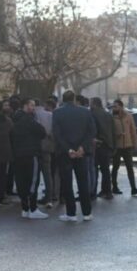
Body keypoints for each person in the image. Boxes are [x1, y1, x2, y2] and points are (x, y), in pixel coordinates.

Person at [52, 90, 95, 222]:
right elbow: (92, 131)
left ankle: (71, 213)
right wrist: (82, 147)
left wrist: (68, 149)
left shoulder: (57, 113)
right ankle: (87, 212)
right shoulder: (85, 112)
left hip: (65, 153)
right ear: (75, 99)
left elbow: (57, 134)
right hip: (81, 152)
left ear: (63, 100)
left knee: (67, 183)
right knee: (83, 182)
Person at [11, 99, 49, 219]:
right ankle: (33, 208)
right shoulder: (29, 120)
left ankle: (25, 208)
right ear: (25, 106)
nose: (34, 107)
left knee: (21, 181)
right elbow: (42, 132)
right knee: (33, 181)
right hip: (31, 153)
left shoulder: (15, 119)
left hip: (18, 154)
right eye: (32, 105)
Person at [110, 99, 137, 196]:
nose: (114, 108)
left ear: (121, 106)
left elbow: (133, 131)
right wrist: (117, 135)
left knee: (130, 167)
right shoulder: (111, 118)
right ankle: (114, 187)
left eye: (115, 106)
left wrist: (135, 144)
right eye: (113, 106)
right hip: (117, 146)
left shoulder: (128, 116)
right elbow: (110, 132)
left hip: (127, 146)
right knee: (115, 167)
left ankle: (133, 188)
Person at [90, 97, 115, 199]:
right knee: (105, 170)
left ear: (94, 104)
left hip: (97, 144)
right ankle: (107, 191)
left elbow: (92, 129)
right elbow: (113, 130)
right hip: (107, 145)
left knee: (94, 169)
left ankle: (93, 191)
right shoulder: (108, 115)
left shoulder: (92, 114)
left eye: (91, 103)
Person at [35, 98, 58, 207]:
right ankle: (49, 197)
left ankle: (33, 196)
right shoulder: (50, 115)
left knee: (35, 173)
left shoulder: (34, 114)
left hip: (36, 147)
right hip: (48, 146)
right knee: (47, 173)